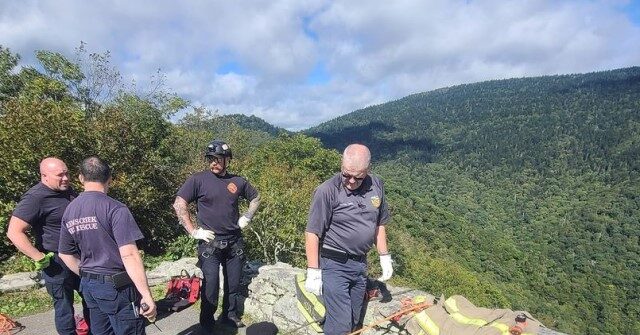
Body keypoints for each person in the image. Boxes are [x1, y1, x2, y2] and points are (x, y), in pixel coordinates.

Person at [58, 156, 156, 335]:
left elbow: (65, 253)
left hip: (89, 286)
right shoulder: (115, 209)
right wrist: (147, 295)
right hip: (116, 287)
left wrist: (86, 273)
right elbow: (129, 255)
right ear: (109, 177)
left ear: (81, 178)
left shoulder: (70, 210)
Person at [304, 143, 394, 335]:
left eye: (358, 177)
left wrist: (384, 255)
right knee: (340, 326)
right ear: (341, 165)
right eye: (346, 175)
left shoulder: (376, 185)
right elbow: (312, 232)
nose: (351, 181)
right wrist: (313, 270)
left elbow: (380, 224)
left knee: (354, 320)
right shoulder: (327, 191)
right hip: (334, 265)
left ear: (368, 170)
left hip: (360, 265)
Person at [173, 139, 261, 331]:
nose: (214, 162)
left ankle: (229, 316)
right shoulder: (198, 180)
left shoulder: (238, 181)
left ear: (227, 160)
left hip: (234, 242)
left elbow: (255, 197)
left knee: (234, 283)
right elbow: (179, 203)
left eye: (218, 158)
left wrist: (248, 216)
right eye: (210, 158)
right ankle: (206, 321)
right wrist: (193, 231)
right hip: (210, 243)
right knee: (211, 285)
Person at [6, 157, 90, 335]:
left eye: (66, 173)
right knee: (64, 307)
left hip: (79, 256)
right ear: (44, 176)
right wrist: (38, 256)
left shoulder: (68, 191)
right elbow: (14, 231)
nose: (66, 178)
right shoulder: (35, 197)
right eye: (60, 175)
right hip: (56, 262)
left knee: (91, 298)